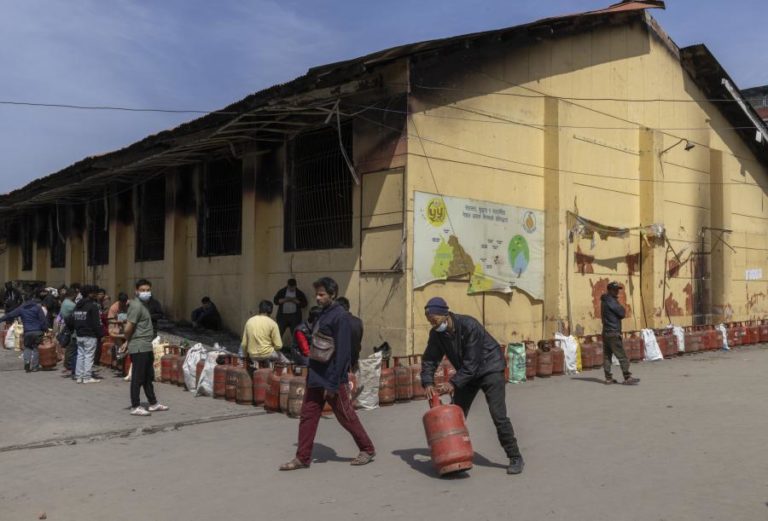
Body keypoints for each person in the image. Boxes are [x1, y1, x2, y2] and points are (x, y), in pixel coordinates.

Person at [421, 296, 525, 475]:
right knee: (454, 415)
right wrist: (428, 382)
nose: (434, 325)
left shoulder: (470, 325)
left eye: (435, 320)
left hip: (490, 368)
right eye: (430, 322)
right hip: (467, 374)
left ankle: (515, 456)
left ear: (445, 315)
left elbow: (472, 362)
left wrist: (453, 383)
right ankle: (454, 456)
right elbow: (430, 358)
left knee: (498, 415)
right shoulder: (437, 334)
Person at [279, 277, 375, 471]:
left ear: (333, 295)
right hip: (315, 376)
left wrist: (333, 384)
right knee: (308, 416)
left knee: (346, 416)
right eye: (317, 294)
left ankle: (367, 448)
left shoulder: (340, 317)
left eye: (322, 294)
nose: (318, 298)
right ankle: (302, 457)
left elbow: (343, 353)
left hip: (332, 378)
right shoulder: (323, 314)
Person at [123, 278, 168, 416]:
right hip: (139, 346)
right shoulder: (136, 306)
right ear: (136, 291)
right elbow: (128, 328)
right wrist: (127, 341)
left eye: (148, 290)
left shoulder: (144, 305)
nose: (146, 292)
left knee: (148, 376)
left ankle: (153, 403)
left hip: (147, 345)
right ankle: (135, 406)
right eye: (142, 290)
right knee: (138, 377)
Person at [601, 281, 640, 386]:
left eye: (618, 290)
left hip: (606, 332)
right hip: (613, 332)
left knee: (607, 356)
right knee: (622, 356)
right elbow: (622, 312)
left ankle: (608, 378)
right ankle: (627, 377)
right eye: (615, 290)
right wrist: (621, 308)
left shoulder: (605, 300)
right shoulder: (611, 300)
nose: (617, 292)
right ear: (610, 290)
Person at [65, 285, 103, 384]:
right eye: (95, 293)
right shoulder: (93, 306)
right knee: (89, 356)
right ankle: (87, 377)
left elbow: (71, 320)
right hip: (90, 335)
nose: (96, 295)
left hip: (79, 334)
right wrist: (100, 335)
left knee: (81, 355)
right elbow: (96, 323)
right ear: (90, 294)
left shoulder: (78, 305)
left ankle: (79, 376)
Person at [2, 293, 47, 372]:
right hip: (37, 331)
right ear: (32, 299)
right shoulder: (37, 308)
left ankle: (27, 362)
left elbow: (9, 315)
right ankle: (35, 367)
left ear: (24, 299)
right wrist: (45, 329)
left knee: (27, 347)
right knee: (36, 349)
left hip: (27, 332)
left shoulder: (21, 308)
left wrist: (1, 320)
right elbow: (43, 320)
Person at [240, 300, 289, 365]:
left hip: (252, 355)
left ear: (259, 309)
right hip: (268, 354)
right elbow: (278, 346)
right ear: (271, 311)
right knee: (287, 363)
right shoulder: (273, 323)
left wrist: (245, 356)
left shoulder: (249, 321)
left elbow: (244, 344)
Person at [336, 297, 363, 372]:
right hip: (354, 361)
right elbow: (359, 341)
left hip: (339, 363)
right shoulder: (358, 322)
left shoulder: (336, 322)